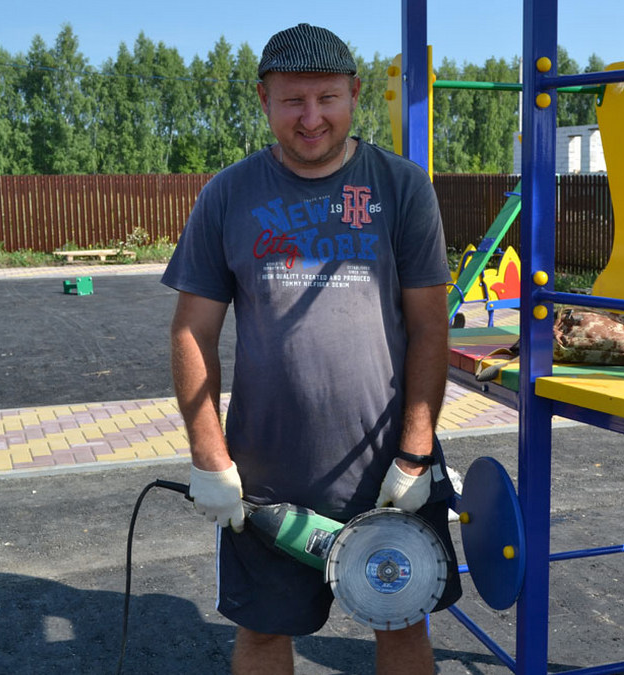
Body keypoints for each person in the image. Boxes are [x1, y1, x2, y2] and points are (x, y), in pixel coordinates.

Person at [162, 23, 462, 675]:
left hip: (388, 468)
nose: (310, 117)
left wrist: (415, 453)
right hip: (266, 475)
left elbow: (430, 327)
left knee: (402, 625)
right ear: (263, 99)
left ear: (354, 93)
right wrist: (209, 457)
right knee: (264, 634)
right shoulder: (228, 195)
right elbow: (192, 332)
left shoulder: (401, 187)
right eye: (292, 100)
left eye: (326, 97)